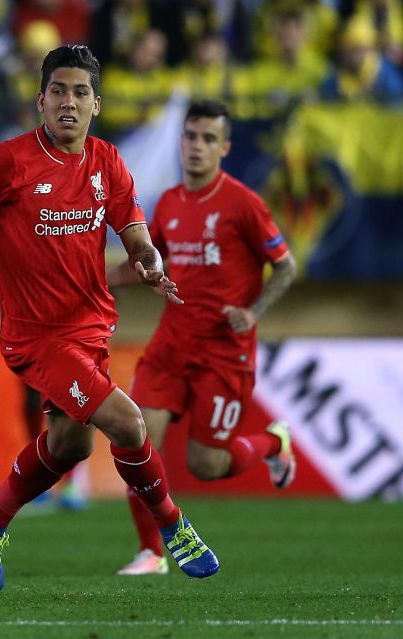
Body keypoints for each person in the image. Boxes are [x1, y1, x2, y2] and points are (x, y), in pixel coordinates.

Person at [0, 44, 219, 592]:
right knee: (128, 424)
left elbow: (133, 229)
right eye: (59, 91)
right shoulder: (5, 162)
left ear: (97, 104)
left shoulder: (107, 161)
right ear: (41, 100)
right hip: (37, 337)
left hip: (91, 327)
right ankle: (174, 527)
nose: (69, 102)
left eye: (80, 93)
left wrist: (149, 261)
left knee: (70, 446)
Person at [107, 99, 298, 576]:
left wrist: (252, 313)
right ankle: (151, 552)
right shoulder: (169, 202)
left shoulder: (243, 204)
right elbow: (149, 264)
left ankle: (274, 444)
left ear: (225, 147)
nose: (197, 147)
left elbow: (287, 265)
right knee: (136, 440)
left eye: (208, 139)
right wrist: (94, 279)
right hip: (172, 342)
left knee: (206, 466)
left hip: (224, 352)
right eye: (191, 137)